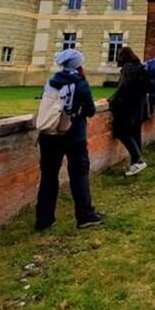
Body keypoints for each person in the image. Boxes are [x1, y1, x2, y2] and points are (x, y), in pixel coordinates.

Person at [35, 49, 104, 231]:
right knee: (79, 175)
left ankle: (44, 219)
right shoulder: (80, 84)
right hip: (74, 135)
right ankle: (85, 215)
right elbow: (90, 110)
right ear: (78, 65)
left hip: (49, 135)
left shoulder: (51, 82)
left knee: (49, 177)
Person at [109, 46, 150, 177]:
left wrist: (112, 100)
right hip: (140, 107)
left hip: (129, 107)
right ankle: (135, 163)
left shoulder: (128, 68)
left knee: (123, 132)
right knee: (135, 133)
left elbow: (123, 87)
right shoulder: (140, 67)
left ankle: (137, 160)